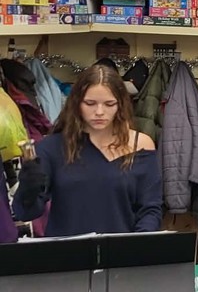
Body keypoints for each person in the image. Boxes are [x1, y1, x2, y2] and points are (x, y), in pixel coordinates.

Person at [12, 64, 161, 236]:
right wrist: (29, 186)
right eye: (90, 103)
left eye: (109, 104)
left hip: (122, 256)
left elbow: (150, 209)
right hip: (67, 258)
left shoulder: (140, 145)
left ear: (120, 105)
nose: (99, 112)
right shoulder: (50, 148)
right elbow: (27, 212)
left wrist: (137, 248)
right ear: (76, 103)